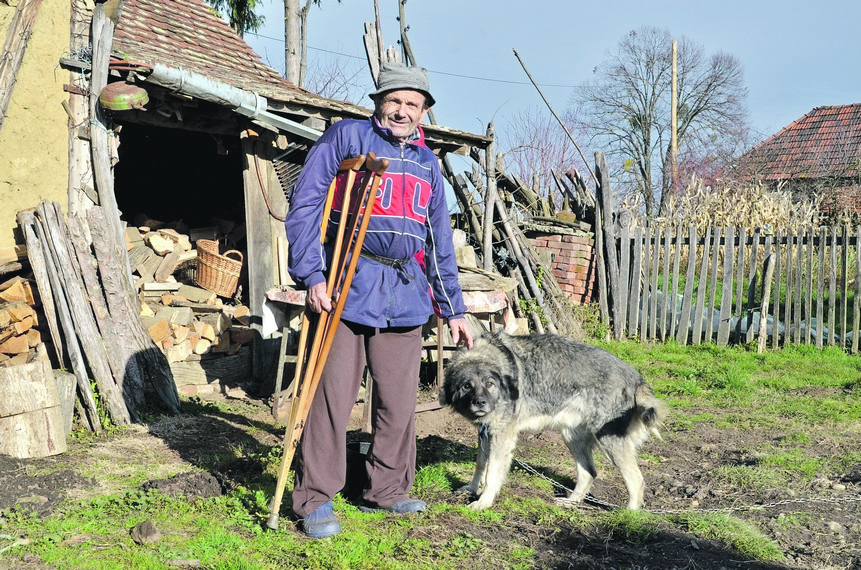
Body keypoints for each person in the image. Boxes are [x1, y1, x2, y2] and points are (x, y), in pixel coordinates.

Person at [284, 61, 474, 539]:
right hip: (347, 283)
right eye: (395, 100)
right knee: (331, 397)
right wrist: (312, 275)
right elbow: (305, 204)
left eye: (413, 104)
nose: (403, 111)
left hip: (405, 291)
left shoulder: (428, 164)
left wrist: (454, 308)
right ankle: (315, 498)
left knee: (398, 401)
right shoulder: (347, 138)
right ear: (379, 103)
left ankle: (385, 490)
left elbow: (439, 241)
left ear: (423, 111)